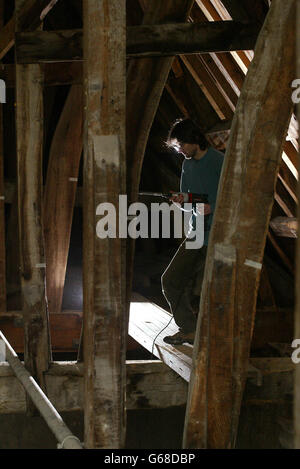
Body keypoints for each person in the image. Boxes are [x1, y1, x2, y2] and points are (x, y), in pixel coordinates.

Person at [161, 118, 224, 345]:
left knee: (209, 291)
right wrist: (181, 201)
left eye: (181, 145)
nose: (180, 151)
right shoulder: (187, 164)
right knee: (170, 280)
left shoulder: (218, 161)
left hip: (218, 237)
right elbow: (187, 197)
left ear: (194, 139)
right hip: (195, 234)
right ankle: (189, 329)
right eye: (177, 147)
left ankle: (213, 338)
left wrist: (212, 207)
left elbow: (235, 198)